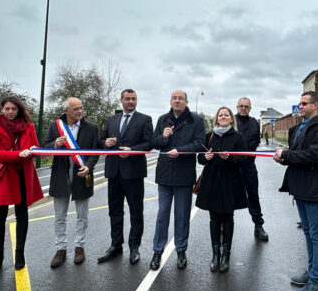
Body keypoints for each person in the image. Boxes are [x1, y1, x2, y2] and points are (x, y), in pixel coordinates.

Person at [273, 91, 318, 291]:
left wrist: (287, 155)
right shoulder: (300, 127)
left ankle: (317, 283)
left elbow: (315, 155)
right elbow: (297, 156)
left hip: (316, 189)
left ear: (315, 106)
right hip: (301, 188)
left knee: (317, 235)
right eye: (299, 103)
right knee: (308, 232)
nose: (300, 107)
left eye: (304, 103)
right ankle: (311, 272)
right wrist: (284, 159)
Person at [0, 96, 44, 276]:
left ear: (19, 110)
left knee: (22, 214)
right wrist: (18, 155)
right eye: (7, 108)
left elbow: (35, 149)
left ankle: (19, 255)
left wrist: (31, 152)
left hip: (23, 174)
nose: (10, 112)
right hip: (2, 176)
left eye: (13, 109)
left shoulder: (28, 127)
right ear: (1, 109)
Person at [150, 90, 205, 270]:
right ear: (170, 101)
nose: (177, 101)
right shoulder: (162, 119)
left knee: (182, 217)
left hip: (184, 175)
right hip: (165, 174)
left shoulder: (195, 120)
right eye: (174, 98)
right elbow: (154, 143)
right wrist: (163, 136)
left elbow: (199, 143)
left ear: (186, 101)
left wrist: (179, 150)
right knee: (162, 216)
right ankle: (157, 251)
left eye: (181, 98)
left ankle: (181, 251)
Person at [98, 89, 154, 265]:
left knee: (136, 212)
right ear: (121, 100)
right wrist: (105, 143)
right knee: (114, 211)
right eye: (127, 99)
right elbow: (101, 141)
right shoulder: (112, 119)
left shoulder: (145, 119)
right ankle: (116, 246)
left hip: (133, 172)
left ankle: (134, 248)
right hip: (114, 172)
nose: (130, 101)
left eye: (133, 99)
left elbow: (149, 144)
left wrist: (132, 151)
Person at [43, 98, 99, 268]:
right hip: (60, 176)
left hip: (82, 175)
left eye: (81, 108)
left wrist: (88, 167)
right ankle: (60, 249)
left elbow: (95, 152)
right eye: (76, 109)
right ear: (66, 111)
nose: (80, 111)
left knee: (82, 215)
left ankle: (79, 247)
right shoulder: (55, 126)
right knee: (60, 217)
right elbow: (44, 146)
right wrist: (55, 144)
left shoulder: (91, 128)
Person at [196, 107, 249, 272]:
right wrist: (206, 157)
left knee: (227, 217)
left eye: (226, 115)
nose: (223, 117)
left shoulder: (238, 137)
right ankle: (215, 254)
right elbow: (200, 158)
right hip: (212, 182)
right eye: (221, 115)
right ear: (217, 119)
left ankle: (226, 255)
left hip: (230, 182)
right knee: (213, 218)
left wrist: (230, 157)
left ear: (231, 119)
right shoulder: (209, 136)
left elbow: (245, 160)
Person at [235, 98, 269, 241]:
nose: (243, 108)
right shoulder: (231, 121)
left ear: (250, 108)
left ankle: (258, 225)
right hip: (233, 166)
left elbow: (256, 141)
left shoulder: (254, 122)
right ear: (237, 107)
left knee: (253, 195)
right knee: (229, 196)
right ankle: (224, 225)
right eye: (241, 106)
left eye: (246, 106)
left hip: (249, 165)